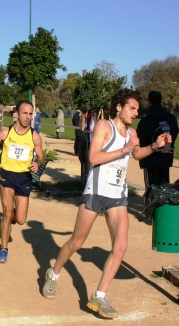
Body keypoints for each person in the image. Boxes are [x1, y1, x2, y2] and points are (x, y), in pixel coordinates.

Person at [42, 89, 172, 319]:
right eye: (132, 108)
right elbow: (94, 158)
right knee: (77, 242)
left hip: (118, 195)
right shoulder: (104, 126)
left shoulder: (131, 132)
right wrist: (124, 148)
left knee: (120, 246)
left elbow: (136, 154)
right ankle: (53, 274)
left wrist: (154, 146)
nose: (136, 113)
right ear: (119, 107)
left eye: (138, 110)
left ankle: (99, 295)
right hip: (96, 192)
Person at [0, 100, 44, 264]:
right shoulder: (5, 133)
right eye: (25, 113)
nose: (28, 117)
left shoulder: (34, 136)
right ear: (16, 113)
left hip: (24, 178)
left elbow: (41, 158)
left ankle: (11, 218)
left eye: (30, 114)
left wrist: (38, 163)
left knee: (21, 219)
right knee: (7, 212)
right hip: (7, 175)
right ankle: (3, 249)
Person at [136, 91, 178, 187]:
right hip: (166, 157)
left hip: (150, 159)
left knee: (151, 191)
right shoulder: (171, 118)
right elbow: (174, 133)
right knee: (165, 190)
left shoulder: (146, 120)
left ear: (149, 101)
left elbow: (140, 139)